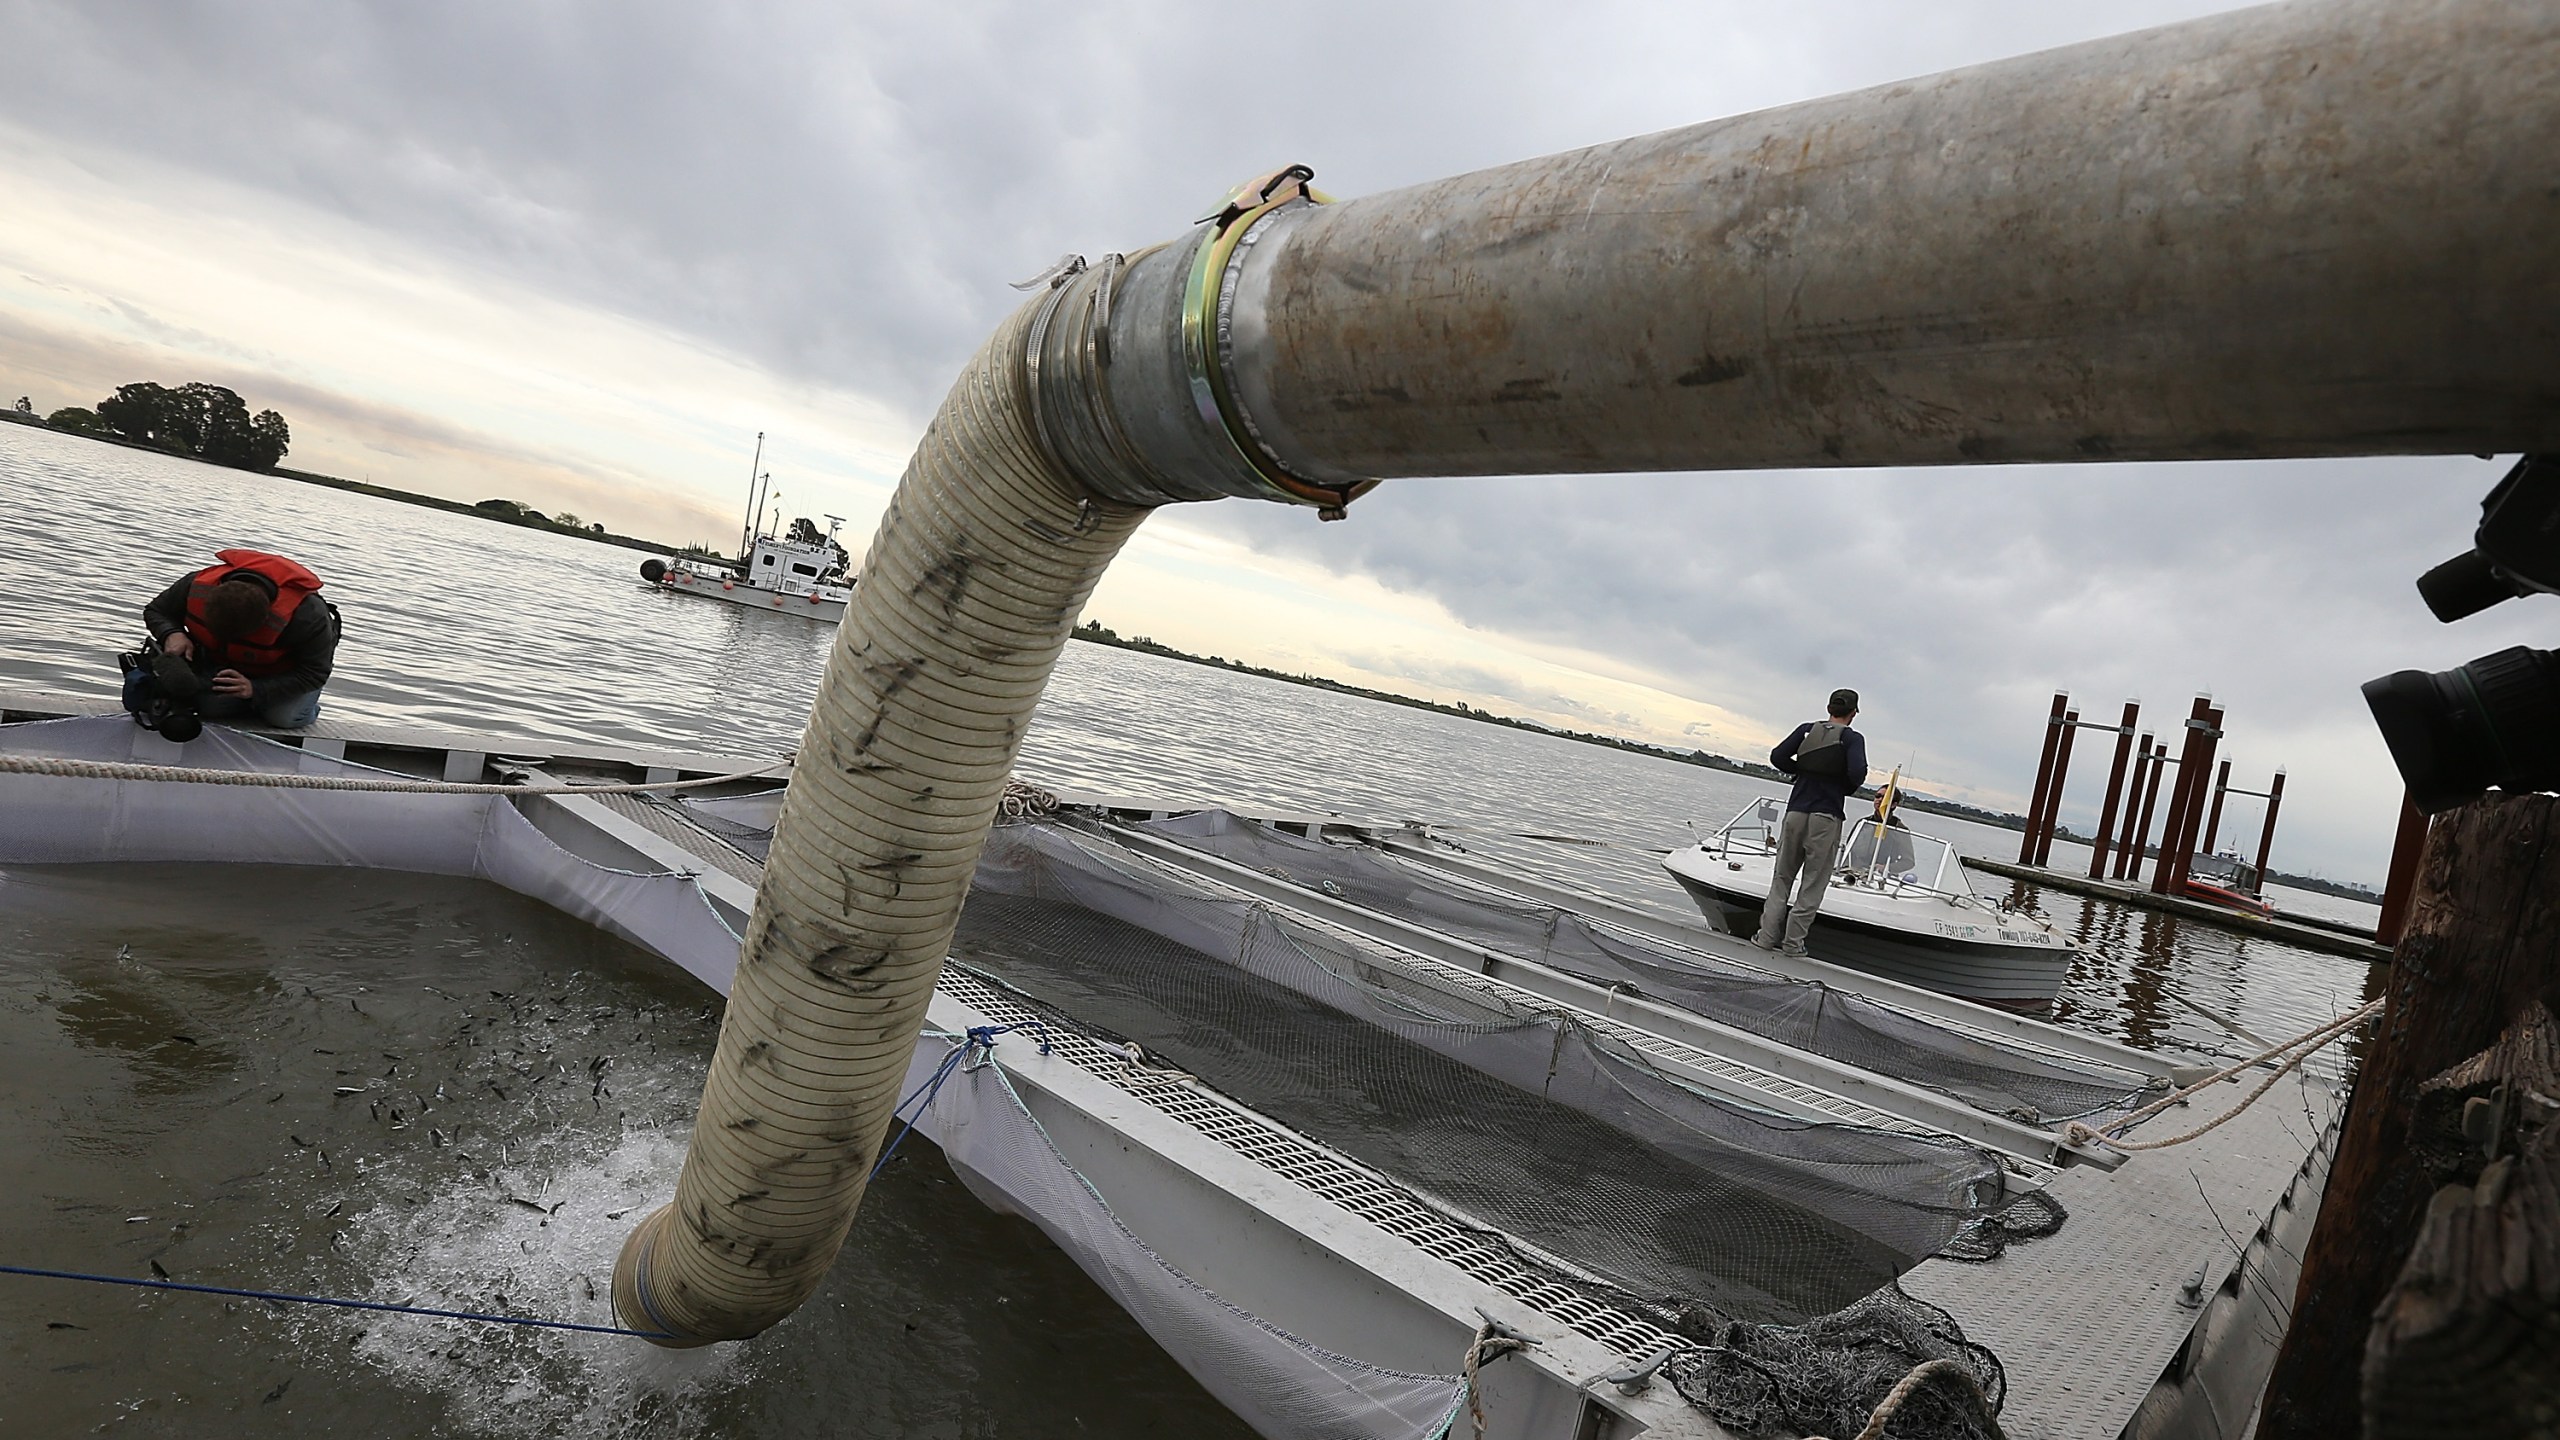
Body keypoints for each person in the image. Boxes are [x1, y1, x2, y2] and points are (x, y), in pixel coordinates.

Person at [128, 548, 339, 730]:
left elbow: (315, 673)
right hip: (223, 665)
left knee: (284, 718)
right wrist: (171, 633)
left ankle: (297, 706)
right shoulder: (196, 584)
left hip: (287, 674)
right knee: (209, 708)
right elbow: (156, 610)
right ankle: (250, 703)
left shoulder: (308, 615)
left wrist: (257, 689)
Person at [1753, 688, 1869, 956]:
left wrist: (1802, 771)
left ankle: (1765, 937)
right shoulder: (1852, 739)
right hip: (1825, 817)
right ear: (1853, 713)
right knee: (1813, 883)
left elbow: (1778, 756)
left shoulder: (1806, 729)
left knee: (1782, 878)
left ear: (1829, 708)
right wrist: (1841, 784)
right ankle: (1793, 945)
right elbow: (1857, 773)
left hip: (1795, 812)